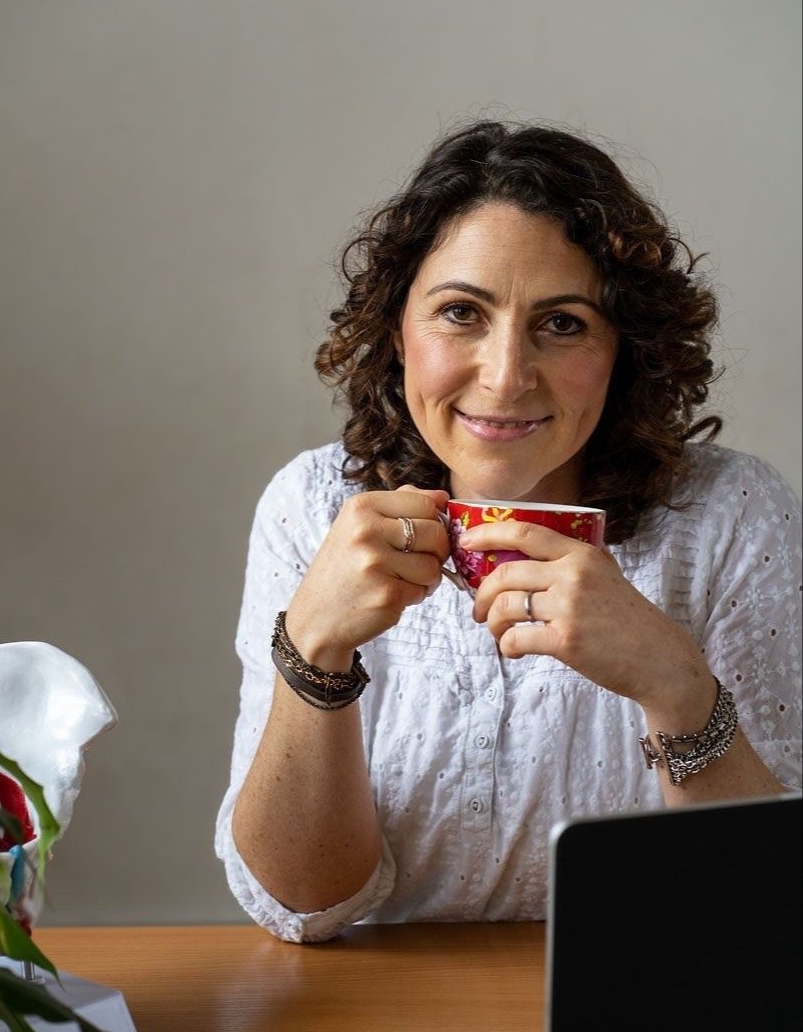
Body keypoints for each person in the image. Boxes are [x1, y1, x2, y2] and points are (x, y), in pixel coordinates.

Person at [215, 121, 802, 943]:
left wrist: (674, 687)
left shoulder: (732, 514)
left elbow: (766, 912)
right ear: (397, 331)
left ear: (623, 349)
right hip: (380, 1006)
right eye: (461, 312)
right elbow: (303, 904)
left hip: (644, 1000)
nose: (504, 376)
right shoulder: (312, 507)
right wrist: (312, 650)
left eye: (561, 324)